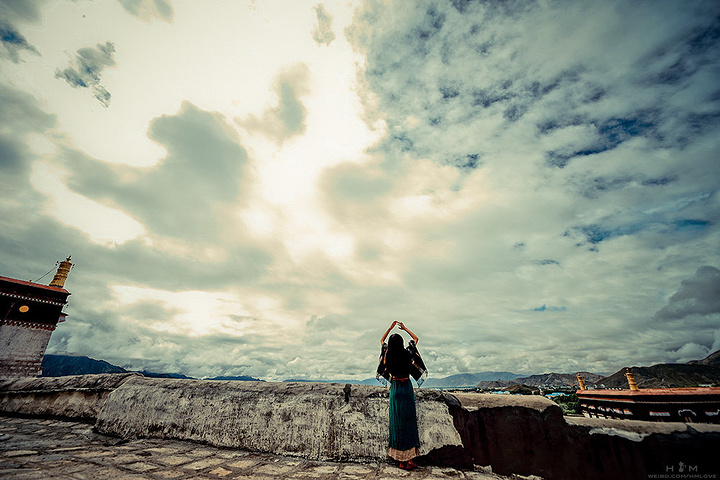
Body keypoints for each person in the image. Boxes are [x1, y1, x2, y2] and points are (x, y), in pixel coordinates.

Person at [376, 321, 427, 470]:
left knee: (397, 423)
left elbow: (381, 341)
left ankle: (400, 460)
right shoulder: (407, 353)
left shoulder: (388, 354)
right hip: (406, 389)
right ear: (402, 343)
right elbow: (416, 339)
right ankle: (410, 459)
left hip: (396, 389)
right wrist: (404, 328)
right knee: (409, 422)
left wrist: (390, 328)